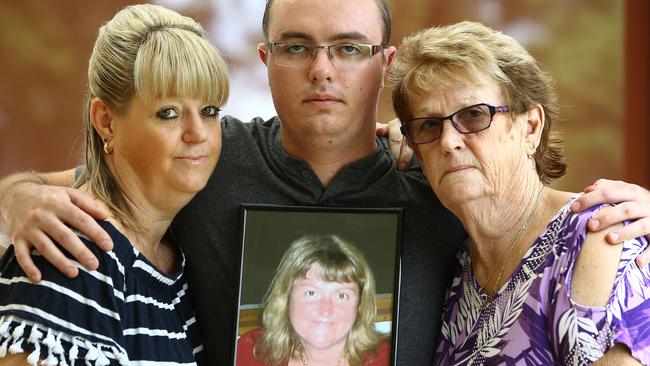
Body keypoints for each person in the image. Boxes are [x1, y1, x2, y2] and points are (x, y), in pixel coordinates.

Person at [0, 1, 649, 364]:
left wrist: (637, 215)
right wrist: (17, 194)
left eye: (348, 48)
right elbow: (94, 182)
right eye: (296, 47)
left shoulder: (434, 176)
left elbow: (525, 203)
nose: (321, 70)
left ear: (383, 62)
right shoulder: (206, 158)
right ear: (266, 60)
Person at [388, 21, 650, 364]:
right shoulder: (456, 267)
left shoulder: (600, 235)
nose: (449, 142)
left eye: (474, 115)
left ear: (531, 127)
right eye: (429, 125)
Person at [0, 4, 228, 365]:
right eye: (167, 112)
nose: (198, 134)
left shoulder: (174, 261)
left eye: (210, 111)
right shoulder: (72, 253)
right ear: (106, 121)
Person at [236, 235, 390, 366]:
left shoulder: (389, 358)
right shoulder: (253, 353)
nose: (325, 310)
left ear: (360, 306)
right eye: (311, 293)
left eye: (341, 295)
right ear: (286, 298)